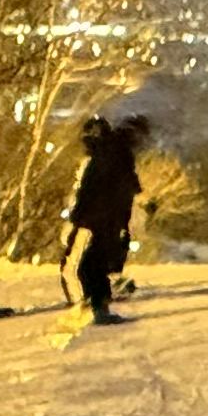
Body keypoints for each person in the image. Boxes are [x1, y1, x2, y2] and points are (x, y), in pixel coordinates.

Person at [65, 111, 148, 322]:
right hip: (107, 217)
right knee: (94, 264)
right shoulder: (115, 152)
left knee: (91, 265)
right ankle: (97, 302)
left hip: (104, 217)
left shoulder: (108, 154)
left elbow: (94, 188)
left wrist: (81, 215)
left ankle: (98, 305)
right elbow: (123, 185)